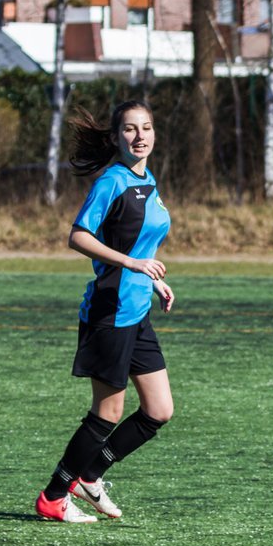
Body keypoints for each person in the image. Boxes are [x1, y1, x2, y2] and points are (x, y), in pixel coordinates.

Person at [34, 100, 175, 523]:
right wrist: (133, 265)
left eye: (146, 127)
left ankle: (90, 477)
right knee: (108, 412)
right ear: (116, 138)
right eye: (129, 129)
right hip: (109, 312)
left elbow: (138, 243)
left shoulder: (147, 179)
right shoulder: (112, 181)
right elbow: (78, 236)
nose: (139, 136)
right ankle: (54, 495)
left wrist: (153, 279)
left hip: (137, 310)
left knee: (158, 411)